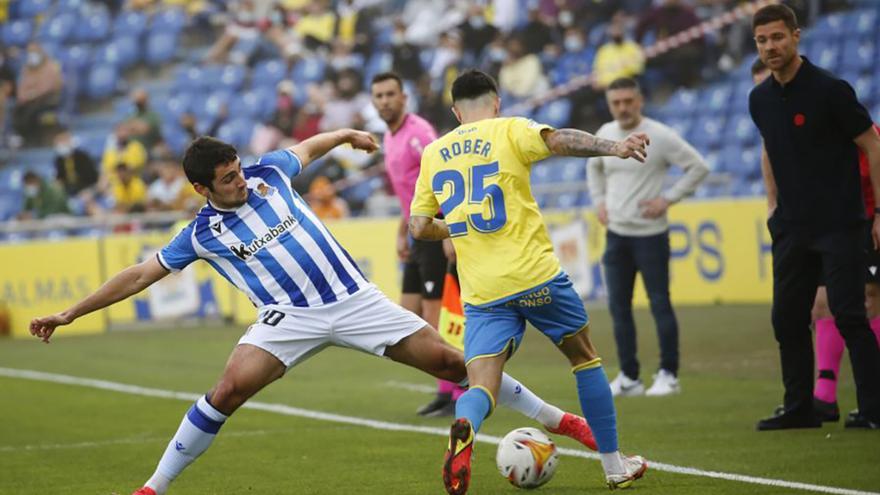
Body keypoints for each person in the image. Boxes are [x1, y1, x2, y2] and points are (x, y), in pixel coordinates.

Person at [29, 130, 600, 495]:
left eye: (238, 169)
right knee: (225, 392)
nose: (241, 181)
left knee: (455, 364)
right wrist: (70, 313)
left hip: (355, 301)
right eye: (227, 179)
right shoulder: (200, 233)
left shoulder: (269, 173)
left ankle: (561, 421)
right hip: (287, 319)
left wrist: (348, 134)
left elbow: (307, 147)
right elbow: (137, 274)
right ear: (203, 188)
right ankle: (154, 487)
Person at [409, 69, 649, 494]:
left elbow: (419, 225)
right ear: (496, 101)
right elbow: (558, 141)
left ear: (455, 111)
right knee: (584, 359)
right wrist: (615, 147)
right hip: (535, 275)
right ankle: (614, 466)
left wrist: (456, 228)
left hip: (482, 291)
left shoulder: (434, 153)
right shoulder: (510, 130)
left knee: (483, 381)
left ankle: (465, 423)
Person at [749, 4, 880, 430]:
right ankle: (800, 408)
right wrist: (773, 207)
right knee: (786, 318)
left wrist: (878, 211)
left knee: (849, 315)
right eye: (763, 40)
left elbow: (872, 147)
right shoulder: (760, 98)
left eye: (778, 37)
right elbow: (770, 149)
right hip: (791, 228)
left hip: (840, 223)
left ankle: (875, 408)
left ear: (796, 35)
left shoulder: (830, 90)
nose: (771, 46)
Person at [587, 77, 708, 397]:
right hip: (616, 236)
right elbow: (594, 168)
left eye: (628, 101)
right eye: (616, 103)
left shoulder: (661, 136)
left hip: (651, 236)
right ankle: (630, 377)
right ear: (610, 105)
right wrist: (599, 201)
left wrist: (667, 200)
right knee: (618, 308)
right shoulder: (605, 134)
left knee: (659, 304)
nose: (623, 108)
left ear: (640, 101)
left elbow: (698, 167)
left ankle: (669, 374)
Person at [370, 71, 464, 417]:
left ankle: (456, 391)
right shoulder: (389, 136)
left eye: (390, 94)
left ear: (403, 97)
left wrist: (449, 231)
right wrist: (400, 230)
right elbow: (409, 192)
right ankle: (445, 387)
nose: (384, 101)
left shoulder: (418, 133)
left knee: (436, 314)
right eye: (378, 95)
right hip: (416, 232)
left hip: (435, 230)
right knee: (409, 316)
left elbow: (444, 177)